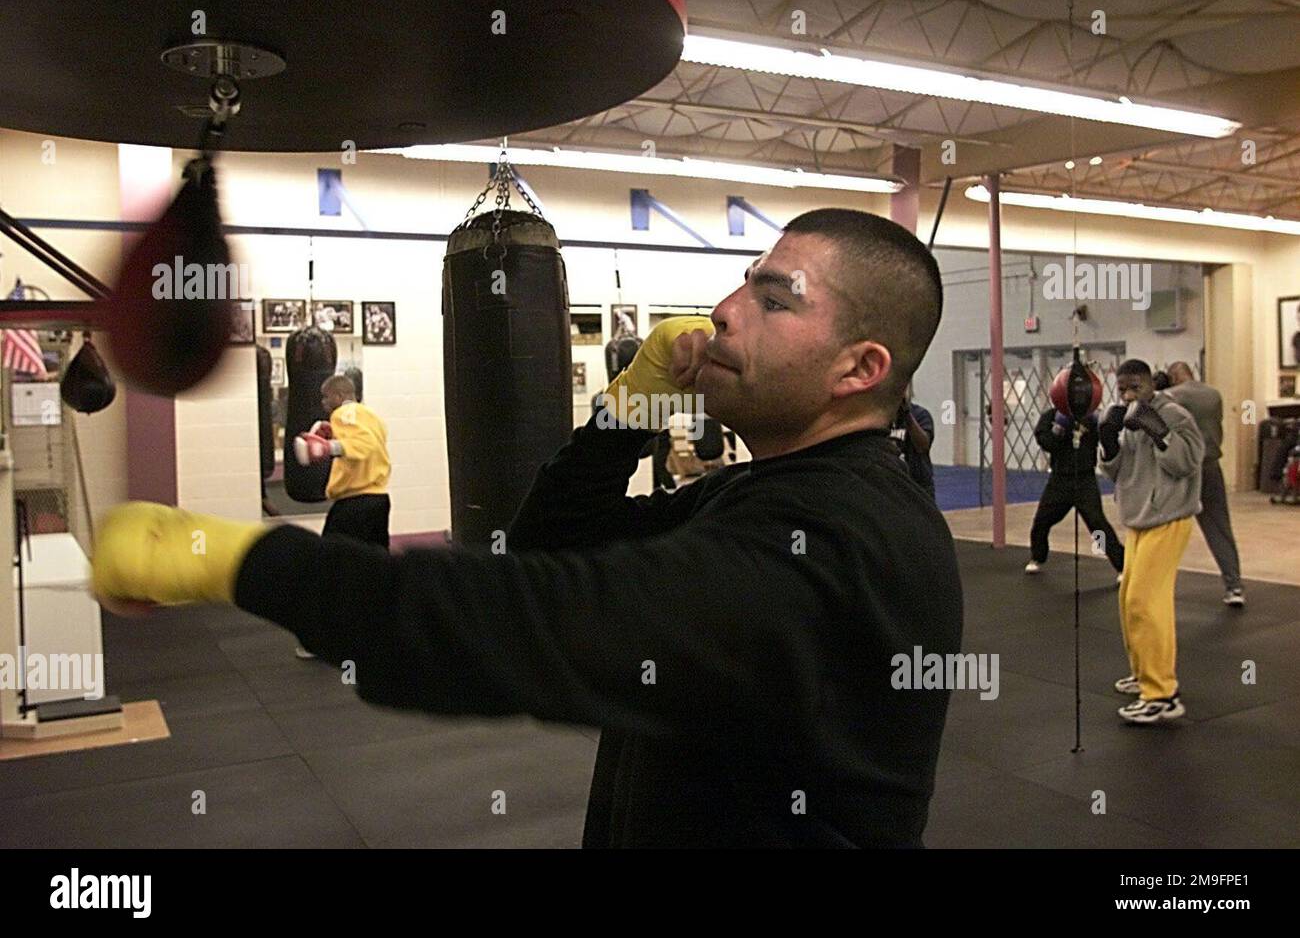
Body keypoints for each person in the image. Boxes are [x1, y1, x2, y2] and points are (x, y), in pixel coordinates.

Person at [89, 209, 963, 848]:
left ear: (861, 367)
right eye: (740, 283)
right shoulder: (749, 495)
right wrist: (634, 407)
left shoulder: (848, 535)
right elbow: (549, 544)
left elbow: (532, 622)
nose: (726, 310)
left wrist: (241, 560)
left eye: (773, 300)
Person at [1098, 359, 1204, 725]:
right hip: (1138, 519)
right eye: (1123, 388)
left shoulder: (1174, 414)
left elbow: (1189, 463)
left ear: (1149, 385)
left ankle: (1162, 695)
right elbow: (1118, 471)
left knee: (1147, 602)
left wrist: (1160, 432)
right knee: (1129, 599)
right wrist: (1108, 444)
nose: (1128, 395)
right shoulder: (1127, 417)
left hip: (1169, 518)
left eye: (1135, 388)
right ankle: (1144, 672)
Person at [291, 373, 392, 657]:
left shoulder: (345, 413)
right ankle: (382, 631)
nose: (324, 404)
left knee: (328, 567)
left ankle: (320, 640)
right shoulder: (370, 415)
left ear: (336, 396)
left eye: (325, 398)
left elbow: (365, 445)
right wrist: (333, 436)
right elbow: (371, 441)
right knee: (375, 567)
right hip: (378, 499)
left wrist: (329, 446)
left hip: (354, 504)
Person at [1165, 362, 1244, 607]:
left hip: (1183, 470)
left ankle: (1157, 585)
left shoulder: (1171, 396)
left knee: (1164, 529)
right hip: (1211, 465)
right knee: (1220, 527)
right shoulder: (1214, 394)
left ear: (1173, 378)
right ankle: (1234, 586)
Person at [1024, 405, 1124, 578]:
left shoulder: (1091, 415)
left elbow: (1106, 441)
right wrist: (1058, 429)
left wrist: (1102, 425)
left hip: (1085, 479)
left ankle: (1121, 565)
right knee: (1042, 521)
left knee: (1097, 526)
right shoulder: (1052, 416)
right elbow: (1046, 443)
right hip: (1059, 480)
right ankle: (1037, 557)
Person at [889, 398, 935, 499]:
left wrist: (907, 415)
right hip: (892, 485)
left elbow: (922, 446)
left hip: (918, 485)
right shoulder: (881, 418)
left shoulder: (921, 415)